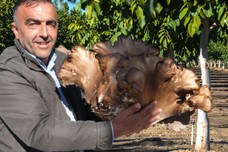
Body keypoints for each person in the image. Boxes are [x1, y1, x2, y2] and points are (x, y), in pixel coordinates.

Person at [0, 0, 162, 151]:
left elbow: (86, 111)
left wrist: (127, 108)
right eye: (33, 24)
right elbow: (40, 132)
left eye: (51, 24)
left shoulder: (65, 61)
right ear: (16, 30)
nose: (44, 33)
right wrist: (112, 130)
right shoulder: (7, 70)